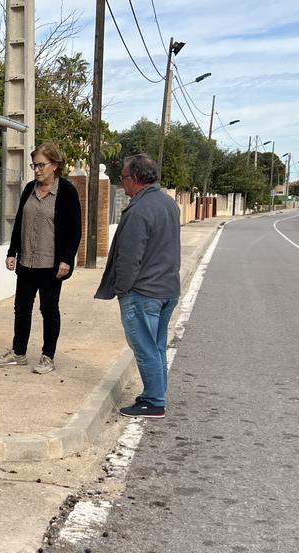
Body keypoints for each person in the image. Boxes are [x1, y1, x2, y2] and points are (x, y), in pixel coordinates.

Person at [95, 153, 181, 418]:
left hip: (143, 292)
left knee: (144, 347)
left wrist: (122, 289)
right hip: (167, 289)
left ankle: (154, 401)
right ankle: (156, 393)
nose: (121, 185)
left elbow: (130, 257)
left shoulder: (139, 210)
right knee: (156, 345)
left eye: (122, 179)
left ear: (135, 179)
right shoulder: (169, 204)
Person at [0, 143, 82, 374]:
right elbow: (19, 222)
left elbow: (74, 230)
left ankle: (47, 356)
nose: (37, 170)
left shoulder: (67, 192)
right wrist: (12, 252)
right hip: (27, 262)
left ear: (55, 165)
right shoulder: (30, 188)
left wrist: (66, 259)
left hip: (51, 265)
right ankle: (18, 352)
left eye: (42, 165)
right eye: (35, 165)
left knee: (49, 309)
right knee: (21, 308)